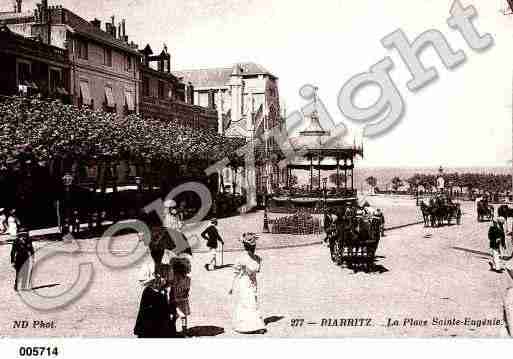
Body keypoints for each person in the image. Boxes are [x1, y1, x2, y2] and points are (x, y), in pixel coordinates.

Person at [229, 233, 266, 334]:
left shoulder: (254, 258)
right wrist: (232, 286)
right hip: (244, 282)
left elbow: (255, 270)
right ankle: (250, 325)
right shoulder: (244, 258)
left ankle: (252, 324)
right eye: (251, 246)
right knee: (248, 301)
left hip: (250, 282)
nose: (253, 247)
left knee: (252, 300)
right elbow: (236, 273)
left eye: (253, 246)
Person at [134, 273, 177, 338]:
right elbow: (144, 311)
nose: (162, 280)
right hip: (149, 324)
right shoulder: (148, 291)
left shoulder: (165, 292)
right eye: (159, 279)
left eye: (164, 278)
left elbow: (168, 307)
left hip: (162, 323)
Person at [170, 256, 191, 337]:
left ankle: (184, 330)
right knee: (178, 315)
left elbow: (187, 290)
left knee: (182, 315)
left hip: (182, 300)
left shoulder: (187, 279)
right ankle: (173, 329)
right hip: (176, 300)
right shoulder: (174, 279)